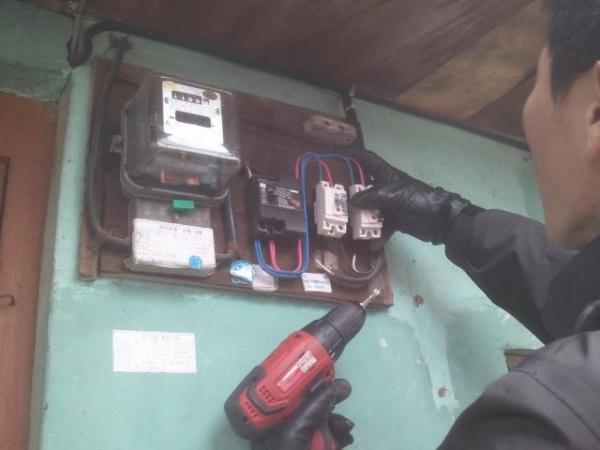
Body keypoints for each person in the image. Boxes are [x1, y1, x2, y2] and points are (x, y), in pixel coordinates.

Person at [251, 0, 600, 449]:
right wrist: (445, 215)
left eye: (536, 81)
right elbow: (565, 286)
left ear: (595, 113)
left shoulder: (557, 414)